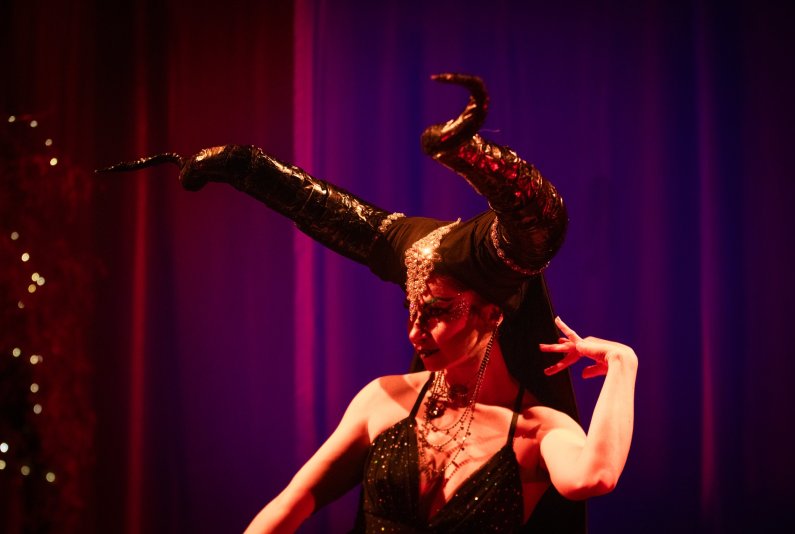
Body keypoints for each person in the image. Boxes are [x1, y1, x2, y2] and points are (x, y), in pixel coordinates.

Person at [100, 74, 637, 532]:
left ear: (491, 314)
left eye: (438, 311)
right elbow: (288, 507)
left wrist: (622, 362)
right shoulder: (383, 402)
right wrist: (242, 166)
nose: (414, 331)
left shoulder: (539, 430)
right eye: (412, 309)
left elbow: (595, 477)